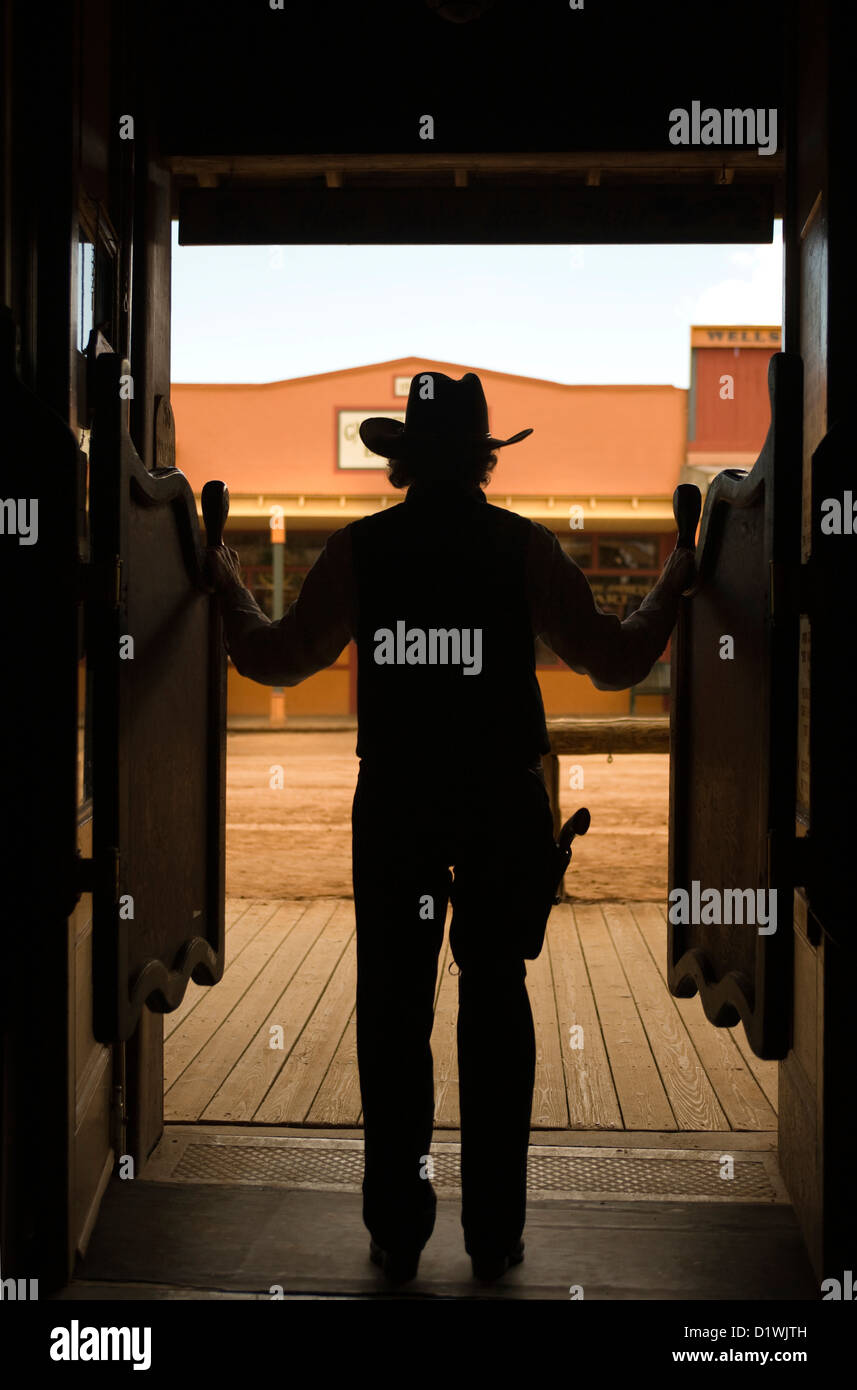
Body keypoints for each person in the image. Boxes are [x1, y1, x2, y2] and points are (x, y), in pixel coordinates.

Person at [206, 370, 695, 1286]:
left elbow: (275, 658)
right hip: (499, 805)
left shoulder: (361, 551)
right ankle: (493, 1237)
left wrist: (225, 575)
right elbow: (613, 657)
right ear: (480, 462)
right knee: (495, 1005)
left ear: (402, 466)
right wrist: (676, 572)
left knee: (394, 1015)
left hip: (395, 805)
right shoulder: (522, 550)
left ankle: (397, 1233)